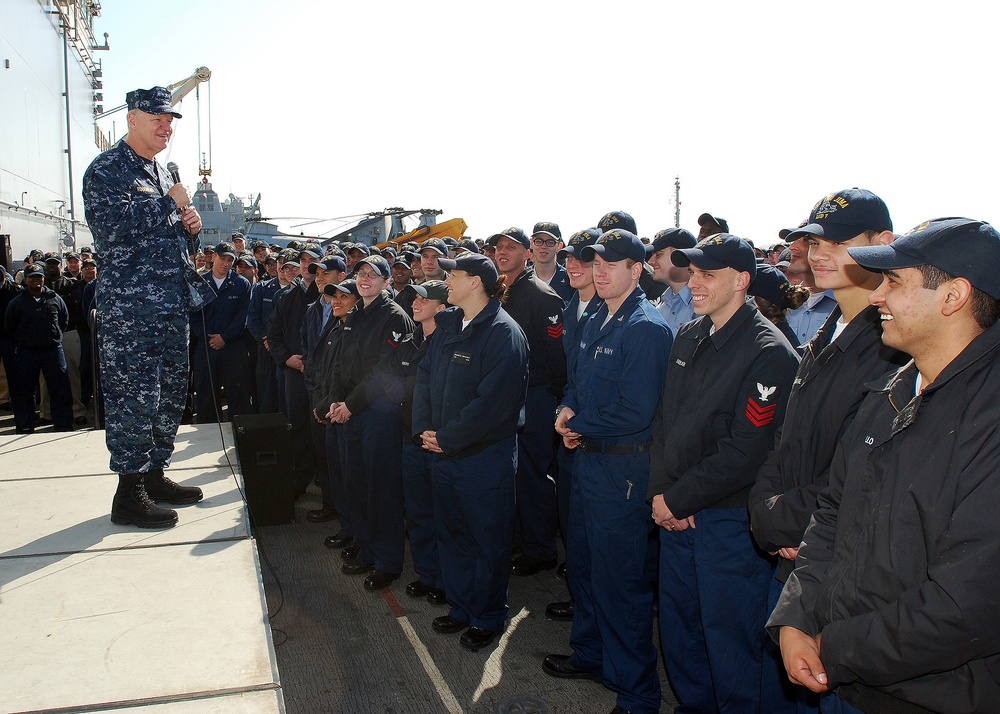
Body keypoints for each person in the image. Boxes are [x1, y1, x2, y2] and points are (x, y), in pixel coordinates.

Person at [768, 217, 1000, 714]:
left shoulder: (990, 416)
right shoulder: (892, 391)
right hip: (844, 676)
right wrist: (796, 618)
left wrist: (833, 645)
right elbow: (830, 515)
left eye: (895, 281)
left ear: (954, 296)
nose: (876, 296)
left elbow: (968, 605)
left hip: (928, 695)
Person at [748, 188, 907, 713]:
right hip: (794, 557)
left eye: (839, 241)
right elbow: (785, 441)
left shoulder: (894, 345)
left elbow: (864, 469)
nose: (819, 251)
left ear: (883, 244)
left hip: (834, 569)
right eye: (814, 239)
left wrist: (790, 525)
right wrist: (768, 510)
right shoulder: (827, 330)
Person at [649, 233, 800, 713]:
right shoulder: (690, 334)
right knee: (680, 628)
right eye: (692, 272)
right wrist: (661, 495)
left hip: (727, 524)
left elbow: (746, 451)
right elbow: (665, 422)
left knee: (730, 640)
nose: (694, 282)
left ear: (741, 281)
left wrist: (679, 500)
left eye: (707, 274)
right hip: (676, 513)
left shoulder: (769, 352)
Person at [542, 229, 672, 714]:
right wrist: (568, 409)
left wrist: (578, 424)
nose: (598, 271)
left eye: (609, 264)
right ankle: (593, 654)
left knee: (621, 584)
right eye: (594, 263)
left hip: (622, 469)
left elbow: (636, 411)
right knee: (588, 568)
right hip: (588, 459)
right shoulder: (599, 314)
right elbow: (577, 379)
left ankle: (637, 694)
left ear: (636, 271)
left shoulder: (645, 327)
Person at [82, 86, 214, 528]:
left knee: (172, 392)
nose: (166, 126)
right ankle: (129, 492)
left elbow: (169, 235)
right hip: (131, 310)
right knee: (134, 398)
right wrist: (170, 204)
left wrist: (191, 228)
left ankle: (155, 474)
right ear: (132, 118)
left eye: (171, 120)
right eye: (157, 117)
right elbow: (112, 228)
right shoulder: (107, 170)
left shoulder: (162, 170)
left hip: (171, 303)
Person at [414, 253, 528, 652]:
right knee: (453, 534)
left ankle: (488, 615)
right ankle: (461, 606)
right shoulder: (450, 326)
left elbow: (493, 404)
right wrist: (425, 430)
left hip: (483, 458)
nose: (447, 281)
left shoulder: (503, 333)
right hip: (443, 451)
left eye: (454, 275)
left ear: (476, 282)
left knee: (486, 540)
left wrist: (448, 436)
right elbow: (425, 376)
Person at [326, 255, 415, 591]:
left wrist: (350, 404)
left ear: (386, 281)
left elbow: (383, 372)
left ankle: (387, 561)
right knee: (356, 484)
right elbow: (341, 363)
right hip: (350, 411)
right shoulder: (355, 314)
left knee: (382, 490)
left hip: (378, 414)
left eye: (372, 275)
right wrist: (337, 400)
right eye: (360, 273)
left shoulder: (394, 317)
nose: (365, 279)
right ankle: (366, 548)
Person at [490, 226, 567, 576]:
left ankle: (540, 548)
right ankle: (519, 540)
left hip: (534, 395)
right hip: (504, 395)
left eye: (511, 247)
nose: (502, 252)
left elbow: (556, 358)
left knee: (534, 473)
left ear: (527, 253)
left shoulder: (542, 297)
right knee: (512, 474)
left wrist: (553, 397)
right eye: (498, 247)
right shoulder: (495, 291)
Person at [544, 227, 604, 623]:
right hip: (570, 428)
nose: (575, 266)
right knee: (573, 525)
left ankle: (591, 612)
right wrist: (564, 409)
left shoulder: (610, 312)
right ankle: (581, 601)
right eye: (571, 259)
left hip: (598, 439)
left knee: (596, 540)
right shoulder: (570, 307)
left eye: (587, 259)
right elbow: (570, 375)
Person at [394, 280, 449, 605]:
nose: (415, 303)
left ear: (441, 307)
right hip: (409, 435)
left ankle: (443, 578)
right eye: (414, 297)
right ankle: (427, 573)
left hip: (434, 439)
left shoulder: (446, 341)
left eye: (424, 299)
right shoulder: (413, 338)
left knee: (441, 513)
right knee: (418, 511)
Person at [300, 256, 346, 523]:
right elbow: (306, 345)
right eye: (317, 273)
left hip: (335, 396)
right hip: (315, 390)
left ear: (341, 276)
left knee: (339, 459)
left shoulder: (348, 312)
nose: (319, 277)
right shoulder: (312, 309)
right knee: (322, 454)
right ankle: (330, 504)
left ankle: (343, 513)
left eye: (326, 273)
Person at [4, 264, 74, 433]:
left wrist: (53, 336)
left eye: (39, 277)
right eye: (32, 277)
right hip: (26, 352)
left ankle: (63, 424)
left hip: (52, 350)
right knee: (25, 391)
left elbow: (64, 320)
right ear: (26, 279)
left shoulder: (55, 298)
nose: (36, 280)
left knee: (60, 389)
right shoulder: (17, 302)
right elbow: (9, 326)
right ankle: (25, 426)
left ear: (43, 279)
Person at [190, 241, 253, 422]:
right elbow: (193, 315)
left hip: (233, 348)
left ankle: (238, 440)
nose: (225, 263)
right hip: (206, 347)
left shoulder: (241, 284)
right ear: (214, 257)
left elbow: (242, 316)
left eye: (229, 260)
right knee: (205, 397)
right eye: (222, 258)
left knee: (238, 397)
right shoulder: (200, 282)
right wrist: (208, 337)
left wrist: (225, 337)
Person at [646, 227, 698, 336]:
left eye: (658, 255)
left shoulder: (704, 304)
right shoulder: (662, 306)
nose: (650, 261)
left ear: (681, 256)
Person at [530, 222, 573, 303]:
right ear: (531, 243)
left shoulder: (570, 280)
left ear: (559, 246)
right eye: (538, 241)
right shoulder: (521, 280)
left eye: (550, 242)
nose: (543, 247)